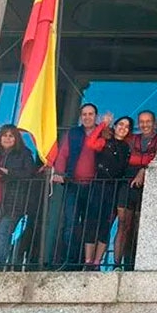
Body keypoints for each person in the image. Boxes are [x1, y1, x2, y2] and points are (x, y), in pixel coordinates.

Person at [0, 124, 37, 269]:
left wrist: (8, 172)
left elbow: (29, 173)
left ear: (16, 138)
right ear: (0, 137)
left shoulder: (24, 153)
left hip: (13, 203)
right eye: (5, 135)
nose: (7, 138)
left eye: (11, 136)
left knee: (2, 235)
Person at [52, 103, 100, 268]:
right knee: (70, 224)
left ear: (96, 116)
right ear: (81, 117)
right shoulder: (73, 133)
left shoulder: (102, 133)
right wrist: (59, 172)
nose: (87, 117)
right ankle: (70, 261)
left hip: (95, 186)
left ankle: (86, 262)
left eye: (91, 114)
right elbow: (63, 154)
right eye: (84, 114)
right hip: (73, 184)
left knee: (89, 224)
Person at [115, 110, 157, 271]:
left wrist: (143, 170)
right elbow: (115, 138)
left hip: (149, 186)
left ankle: (134, 264)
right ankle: (116, 264)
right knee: (123, 224)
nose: (145, 125)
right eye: (142, 121)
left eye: (148, 121)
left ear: (154, 123)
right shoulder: (131, 139)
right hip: (127, 183)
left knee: (139, 225)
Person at [82, 114, 131, 270]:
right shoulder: (104, 142)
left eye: (127, 126)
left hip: (114, 189)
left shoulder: (126, 148)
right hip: (99, 186)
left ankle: (97, 262)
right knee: (92, 222)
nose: (123, 128)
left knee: (106, 225)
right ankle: (88, 261)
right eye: (120, 124)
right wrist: (103, 124)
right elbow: (90, 143)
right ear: (115, 127)